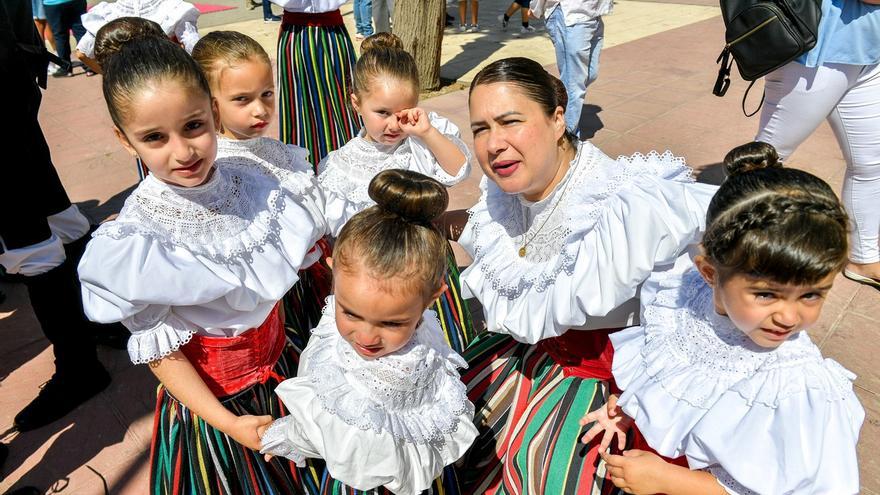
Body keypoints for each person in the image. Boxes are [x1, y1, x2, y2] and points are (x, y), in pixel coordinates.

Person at [77, 37, 328, 492]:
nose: (182, 151)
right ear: (125, 140)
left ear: (212, 113)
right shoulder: (138, 242)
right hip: (217, 409)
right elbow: (161, 351)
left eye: (193, 126)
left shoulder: (255, 181)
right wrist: (228, 424)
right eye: (154, 137)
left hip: (283, 368)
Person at [455, 57, 716, 494]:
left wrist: (639, 392)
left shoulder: (624, 202)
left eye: (510, 121)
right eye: (480, 128)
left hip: (612, 384)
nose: (493, 144)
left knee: (550, 473)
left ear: (558, 119)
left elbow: (706, 292)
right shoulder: (504, 198)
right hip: (531, 354)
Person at [582, 142, 864, 494]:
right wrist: (633, 409)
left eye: (811, 294)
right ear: (709, 274)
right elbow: (675, 378)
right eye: (766, 294)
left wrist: (670, 480)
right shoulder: (689, 301)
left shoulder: (798, 388)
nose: (790, 317)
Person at [260, 169, 478, 495]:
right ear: (334, 275)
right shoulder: (418, 325)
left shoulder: (396, 371)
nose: (366, 337)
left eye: (391, 324)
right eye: (350, 313)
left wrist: (289, 435)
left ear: (433, 297)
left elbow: (346, 434)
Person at [318, 32, 475, 354]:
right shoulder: (340, 165)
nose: (394, 124)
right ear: (355, 102)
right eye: (383, 112)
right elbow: (337, 232)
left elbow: (458, 170)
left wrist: (428, 133)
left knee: (440, 343)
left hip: (428, 266)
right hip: (378, 285)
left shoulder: (423, 141)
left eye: (404, 112)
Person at [0, 0, 116, 433]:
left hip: (5, 88)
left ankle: (80, 366)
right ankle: (99, 320)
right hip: (10, 83)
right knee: (57, 216)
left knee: (28, 241)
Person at [192, 29, 333, 345]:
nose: (260, 109)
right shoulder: (219, 169)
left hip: (314, 280)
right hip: (275, 303)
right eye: (242, 99)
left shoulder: (277, 150)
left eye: (267, 94)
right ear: (208, 103)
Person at [755, 0, 880, 292]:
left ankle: (864, 258)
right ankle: (717, 244)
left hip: (868, 49)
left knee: (870, 163)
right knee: (762, 162)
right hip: (815, 53)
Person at [271, 0, 361, 171]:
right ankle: (304, 164)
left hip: (328, 32)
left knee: (342, 98)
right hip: (298, 33)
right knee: (298, 101)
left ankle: (349, 157)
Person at [529, 0, 612, 136]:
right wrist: (536, 7)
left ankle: (553, 110)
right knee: (574, 83)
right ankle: (567, 136)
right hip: (570, 16)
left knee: (589, 75)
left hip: (593, 14)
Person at [76, 0, 200, 73]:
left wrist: (111, 77)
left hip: (131, 92)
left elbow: (82, 53)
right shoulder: (173, 8)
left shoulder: (109, 14)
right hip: (169, 79)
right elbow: (194, 47)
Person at [42, 0, 86, 77]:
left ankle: (66, 69)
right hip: (75, 2)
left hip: (52, 3)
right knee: (80, 32)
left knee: (59, 36)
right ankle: (89, 66)